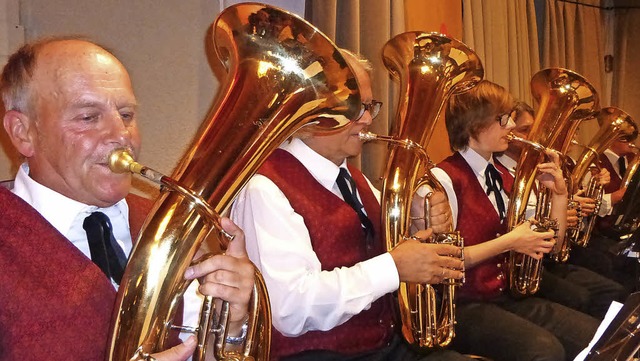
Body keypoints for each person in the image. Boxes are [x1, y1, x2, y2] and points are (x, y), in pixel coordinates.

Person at [0, 37, 254, 361]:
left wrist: (230, 325)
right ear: (23, 133)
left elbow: (195, 347)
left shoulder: (159, 225)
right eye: (88, 117)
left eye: (126, 114)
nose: (122, 136)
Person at [230, 50, 471, 361]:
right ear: (312, 110)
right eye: (357, 107)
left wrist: (416, 224)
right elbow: (290, 309)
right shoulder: (264, 187)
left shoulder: (355, 179)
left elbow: (382, 250)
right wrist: (393, 267)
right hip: (316, 354)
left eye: (370, 107)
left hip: (383, 344)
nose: (368, 119)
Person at [432, 80, 599, 361]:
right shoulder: (444, 178)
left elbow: (554, 247)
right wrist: (510, 242)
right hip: (461, 304)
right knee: (545, 350)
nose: (511, 125)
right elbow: (443, 262)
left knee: (593, 336)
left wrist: (559, 196)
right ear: (475, 124)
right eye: (503, 118)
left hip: (504, 293)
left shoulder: (502, 175)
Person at [495, 101, 626, 319]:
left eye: (535, 130)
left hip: (549, 255)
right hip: (527, 264)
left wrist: (570, 204)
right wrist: (560, 211)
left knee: (615, 275)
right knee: (593, 289)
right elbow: (511, 221)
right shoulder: (500, 172)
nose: (533, 137)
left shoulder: (538, 166)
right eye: (525, 130)